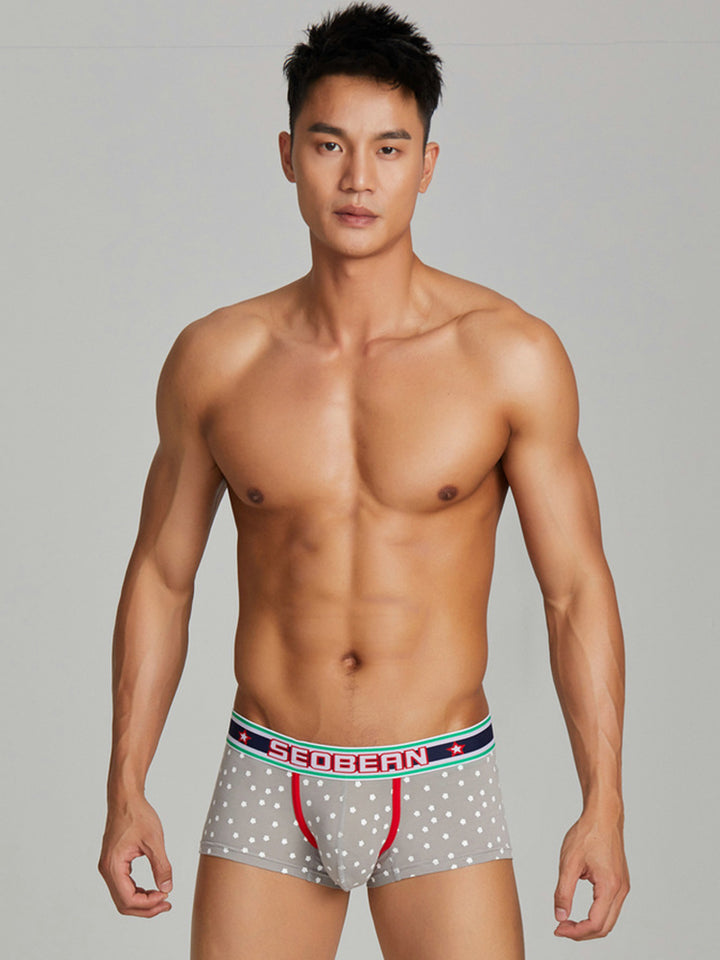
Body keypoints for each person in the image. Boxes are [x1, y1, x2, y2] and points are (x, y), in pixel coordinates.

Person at [98, 3, 629, 957]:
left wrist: (605, 803)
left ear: (427, 164)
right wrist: (125, 783)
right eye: (329, 144)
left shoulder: (508, 357)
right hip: (270, 774)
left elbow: (574, 589)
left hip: (440, 775)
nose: (357, 178)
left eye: (389, 149)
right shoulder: (217, 360)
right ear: (288, 154)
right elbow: (162, 577)